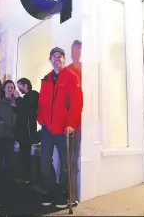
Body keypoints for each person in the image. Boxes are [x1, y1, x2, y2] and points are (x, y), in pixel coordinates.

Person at [37, 47, 83, 209]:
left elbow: (77, 103)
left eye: (60, 56)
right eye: (54, 56)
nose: (57, 59)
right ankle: (53, 190)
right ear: (50, 60)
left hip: (64, 128)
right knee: (44, 162)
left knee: (65, 164)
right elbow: (42, 102)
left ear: (64, 59)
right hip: (47, 129)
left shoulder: (71, 76)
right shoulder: (46, 79)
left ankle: (64, 195)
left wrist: (71, 123)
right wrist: (40, 118)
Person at [0, 79, 18, 206]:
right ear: (4, 88)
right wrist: (0, 123)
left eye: (12, 87)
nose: (10, 89)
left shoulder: (15, 102)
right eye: (8, 87)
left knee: (9, 157)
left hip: (11, 135)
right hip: (1, 134)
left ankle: (7, 180)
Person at [14, 77, 39, 184]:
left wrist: (18, 98)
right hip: (24, 131)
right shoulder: (26, 97)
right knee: (24, 154)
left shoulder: (33, 94)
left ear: (25, 85)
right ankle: (25, 176)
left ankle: (28, 178)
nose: (19, 90)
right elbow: (21, 112)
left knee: (26, 155)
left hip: (28, 131)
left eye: (20, 87)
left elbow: (26, 110)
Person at [66, 40, 82, 205]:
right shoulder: (69, 70)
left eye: (77, 50)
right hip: (70, 121)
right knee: (69, 159)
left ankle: (73, 194)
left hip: (81, 121)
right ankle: (70, 194)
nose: (74, 53)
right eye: (73, 50)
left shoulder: (85, 69)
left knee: (74, 158)